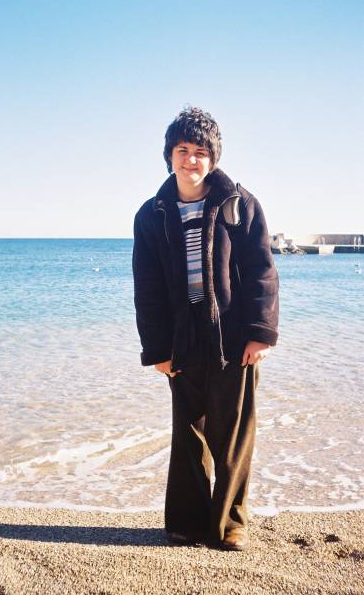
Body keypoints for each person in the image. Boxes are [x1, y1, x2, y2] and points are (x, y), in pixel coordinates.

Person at [132, 106, 279, 551]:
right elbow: (147, 286)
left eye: (200, 151)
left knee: (232, 433)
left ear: (213, 157)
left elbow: (262, 271)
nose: (191, 159)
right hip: (183, 335)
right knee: (188, 431)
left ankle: (230, 524)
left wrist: (260, 332)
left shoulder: (240, 204)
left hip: (232, 334)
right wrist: (157, 349)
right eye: (183, 150)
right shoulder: (152, 214)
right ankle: (187, 522)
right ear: (169, 155)